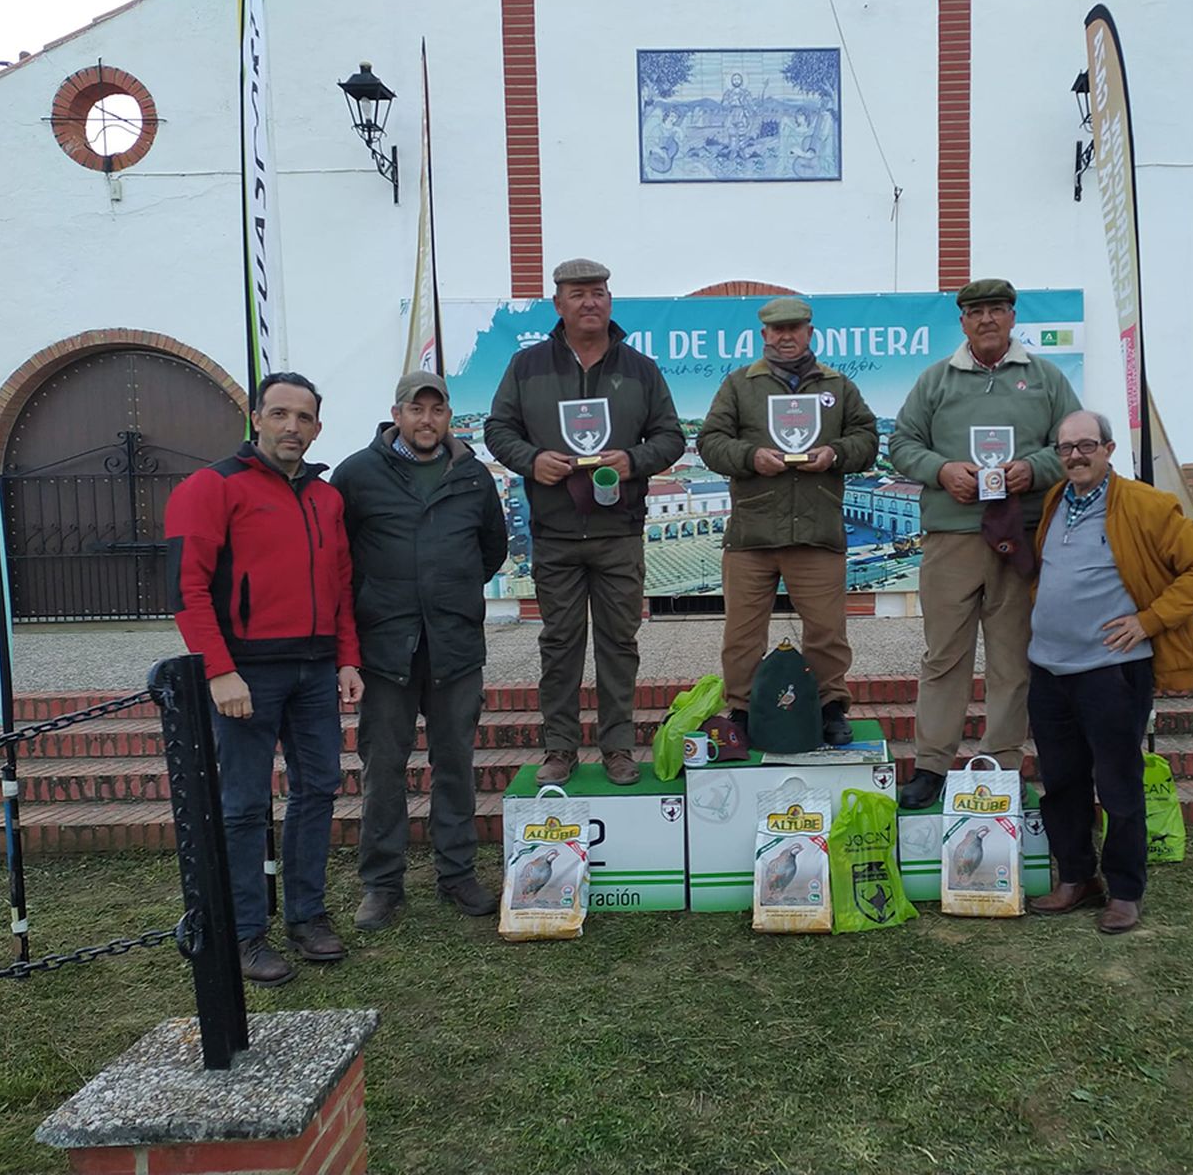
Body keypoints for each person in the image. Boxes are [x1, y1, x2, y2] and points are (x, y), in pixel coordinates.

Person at [165, 371, 363, 985]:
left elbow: (341, 587)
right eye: (280, 414)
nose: (292, 428)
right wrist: (219, 671)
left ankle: (307, 917)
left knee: (318, 791)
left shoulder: (326, 498)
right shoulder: (211, 487)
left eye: (304, 418)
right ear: (256, 418)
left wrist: (347, 658)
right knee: (245, 805)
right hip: (246, 673)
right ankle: (247, 933)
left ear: (318, 427)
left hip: (313, 672)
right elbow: (186, 588)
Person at [1026, 409, 1193, 934]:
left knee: (1118, 784)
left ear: (1109, 449)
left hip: (1111, 672)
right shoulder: (1056, 501)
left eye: (1086, 445)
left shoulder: (1146, 505)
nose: (1075, 455)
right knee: (1061, 783)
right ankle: (1076, 878)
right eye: (1066, 447)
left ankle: (1125, 891)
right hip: (1049, 671)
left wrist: (1150, 620)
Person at [483, 259, 684, 787]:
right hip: (556, 533)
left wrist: (633, 460)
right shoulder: (527, 366)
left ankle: (618, 747)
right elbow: (498, 428)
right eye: (578, 294)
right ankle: (560, 749)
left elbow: (671, 436)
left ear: (610, 302)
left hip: (619, 534)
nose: (589, 302)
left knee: (620, 645)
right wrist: (531, 460)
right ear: (558, 304)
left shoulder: (640, 368)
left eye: (598, 292)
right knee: (561, 644)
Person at [890, 278, 1080, 809]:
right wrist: (941, 468)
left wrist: (1033, 469)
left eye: (997, 309)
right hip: (953, 535)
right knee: (944, 656)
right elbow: (902, 442)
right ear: (963, 322)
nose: (987, 319)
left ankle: (1001, 763)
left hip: (1020, 535)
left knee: (1011, 658)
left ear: (1013, 316)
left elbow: (1071, 445)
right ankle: (931, 764)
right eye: (976, 312)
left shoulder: (1044, 378)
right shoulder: (937, 380)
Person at [332, 370, 508, 932]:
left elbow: (491, 550)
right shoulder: (357, 475)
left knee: (454, 763)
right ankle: (382, 884)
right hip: (386, 647)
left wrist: (447, 594)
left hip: (455, 645)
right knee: (383, 766)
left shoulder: (473, 476)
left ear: (448, 416)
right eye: (416, 409)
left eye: (437, 410)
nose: (427, 420)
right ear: (397, 413)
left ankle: (456, 873)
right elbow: (341, 558)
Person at [697, 296, 879, 745]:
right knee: (741, 634)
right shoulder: (740, 385)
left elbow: (867, 439)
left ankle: (830, 705)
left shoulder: (838, 387)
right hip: (751, 535)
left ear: (810, 333)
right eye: (777, 330)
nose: (786, 336)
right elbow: (710, 442)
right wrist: (750, 457)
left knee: (826, 631)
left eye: (795, 328)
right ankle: (740, 708)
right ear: (764, 336)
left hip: (816, 530)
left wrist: (835, 453)